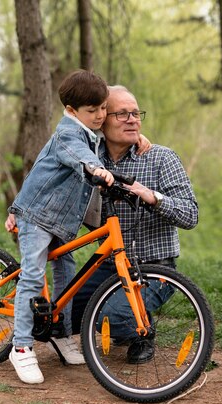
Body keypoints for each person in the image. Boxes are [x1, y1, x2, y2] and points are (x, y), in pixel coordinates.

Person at [70, 85, 199, 364]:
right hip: (108, 265)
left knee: (108, 317)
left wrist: (152, 197)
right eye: (122, 114)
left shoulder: (161, 158)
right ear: (102, 119)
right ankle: (124, 317)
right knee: (65, 315)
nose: (133, 119)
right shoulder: (90, 156)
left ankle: (142, 330)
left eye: (136, 113)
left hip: (153, 267)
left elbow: (191, 214)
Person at [5, 69, 115, 385]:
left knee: (68, 278)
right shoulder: (68, 135)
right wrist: (95, 168)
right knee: (33, 274)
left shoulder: (93, 132)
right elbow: (77, 155)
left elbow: (103, 137)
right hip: (38, 217)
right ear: (71, 111)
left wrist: (140, 137)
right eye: (92, 111)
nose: (100, 116)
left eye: (102, 108)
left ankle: (61, 334)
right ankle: (21, 346)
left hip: (62, 222)